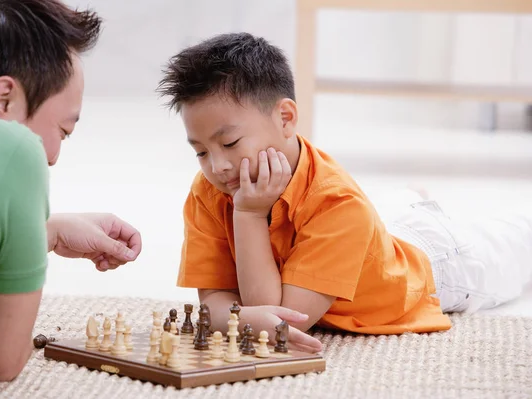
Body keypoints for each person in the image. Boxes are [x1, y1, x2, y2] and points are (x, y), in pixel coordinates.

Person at [157, 32, 532, 353]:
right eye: (201, 152)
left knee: (520, 239)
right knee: (381, 217)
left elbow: (283, 317)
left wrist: (250, 215)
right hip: (370, 234)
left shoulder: (338, 204)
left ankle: (414, 206)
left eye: (231, 142)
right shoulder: (210, 190)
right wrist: (236, 315)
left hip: (441, 264)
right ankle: (407, 200)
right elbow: (213, 302)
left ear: (286, 118)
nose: (217, 166)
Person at [0, 0, 141, 383]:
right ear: (4, 100)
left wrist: (45, 230)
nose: (53, 157)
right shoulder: (12, 148)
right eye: (62, 130)